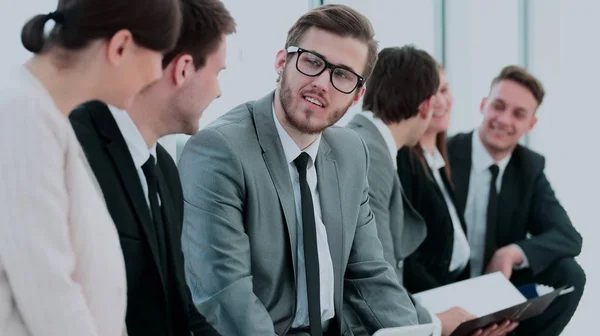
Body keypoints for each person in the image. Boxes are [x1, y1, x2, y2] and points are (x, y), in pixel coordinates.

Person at [178, 4, 419, 336]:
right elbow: (227, 295)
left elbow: (371, 275)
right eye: (312, 62)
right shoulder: (220, 150)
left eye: (343, 75)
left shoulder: (351, 152)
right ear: (282, 62)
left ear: (357, 95)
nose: (322, 83)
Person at [0, 0, 181, 335]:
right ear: (121, 46)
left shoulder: (47, 117)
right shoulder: (23, 115)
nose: (159, 74)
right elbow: (49, 293)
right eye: (160, 56)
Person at [68, 0, 235, 335]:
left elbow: (182, 309)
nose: (219, 92)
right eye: (217, 74)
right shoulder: (73, 149)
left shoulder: (166, 171)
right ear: (183, 69)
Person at [348, 48, 516, 336]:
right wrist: (437, 324)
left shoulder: (368, 143)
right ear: (426, 106)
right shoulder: (370, 153)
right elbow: (374, 271)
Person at [447, 65, 585, 336]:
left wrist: (510, 253)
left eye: (518, 114)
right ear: (483, 105)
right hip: (444, 287)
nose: (504, 119)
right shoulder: (446, 153)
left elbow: (568, 237)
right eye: (498, 106)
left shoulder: (529, 167)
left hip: (498, 290)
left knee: (569, 274)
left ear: (530, 124)